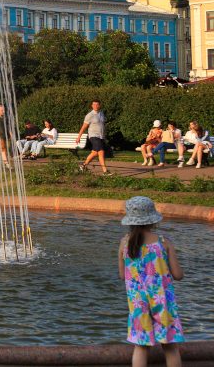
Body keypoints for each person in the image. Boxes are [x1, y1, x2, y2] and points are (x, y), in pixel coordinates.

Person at [118, 196, 184, 366]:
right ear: (152, 221)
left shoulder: (124, 244)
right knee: (170, 346)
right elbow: (178, 275)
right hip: (163, 302)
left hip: (137, 302)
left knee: (141, 347)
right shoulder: (163, 242)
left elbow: (123, 276)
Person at [76, 99, 111, 175]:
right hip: (93, 136)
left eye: (97, 104)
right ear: (92, 105)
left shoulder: (101, 114)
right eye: (94, 105)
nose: (96, 106)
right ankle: (105, 171)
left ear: (99, 105)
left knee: (95, 153)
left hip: (100, 136)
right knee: (101, 151)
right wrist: (79, 137)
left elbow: (102, 126)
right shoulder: (90, 115)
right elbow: (84, 127)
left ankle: (84, 166)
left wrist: (103, 136)